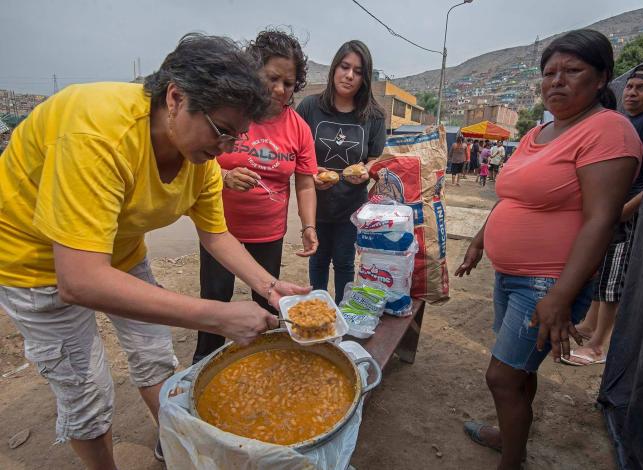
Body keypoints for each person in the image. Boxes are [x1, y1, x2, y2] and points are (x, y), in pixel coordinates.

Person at [0, 33, 310, 469]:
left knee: (155, 356)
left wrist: (270, 285)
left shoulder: (200, 156)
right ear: (176, 97)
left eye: (236, 138)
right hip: (35, 263)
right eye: (222, 131)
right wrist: (218, 315)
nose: (226, 149)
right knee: (86, 388)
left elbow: (216, 235)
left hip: (121, 251)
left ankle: (175, 446)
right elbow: (80, 279)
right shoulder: (96, 133)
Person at [455, 29, 642, 469]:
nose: (556, 81)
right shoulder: (538, 133)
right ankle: (510, 435)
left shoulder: (608, 131)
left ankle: (511, 461)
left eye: (572, 71)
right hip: (511, 276)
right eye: (549, 72)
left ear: (601, 79)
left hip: (548, 280)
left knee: (500, 377)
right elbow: (512, 195)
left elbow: (601, 219)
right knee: (519, 372)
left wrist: (560, 295)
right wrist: (481, 241)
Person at [192, 30, 319, 364]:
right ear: (253, 73)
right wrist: (225, 176)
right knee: (216, 298)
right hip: (220, 228)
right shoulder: (233, 114)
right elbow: (198, 161)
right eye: (272, 78)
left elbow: (305, 182)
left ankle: (261, 362)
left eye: (288, 83)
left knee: (266, 301)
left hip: (269, 232)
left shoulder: (298, 128)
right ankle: (205, 361)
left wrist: (309, 226)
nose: (279, 90)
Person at [565, 59, 643, 366]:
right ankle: (589, 325)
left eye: (642, 88)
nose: (631, 93)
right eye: (630, 87)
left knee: (612, 281)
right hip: (612, 212)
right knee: (602, 272)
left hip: (626, 217)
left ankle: (597, 345)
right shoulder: (632, 122)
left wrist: (623, 210)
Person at [296, 40, 386, 304]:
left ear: (365, 77)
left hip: (352, 208)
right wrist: (311, 173)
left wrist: (367, 171)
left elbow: (375, 159)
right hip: (315, 205)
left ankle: (342, 318)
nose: (349, 75)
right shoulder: (309, 108)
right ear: (334, 68)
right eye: (344, 67)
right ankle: (318, 312)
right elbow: (297, 155)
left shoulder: (375, 115)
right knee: (318, 263)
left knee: (345, 264)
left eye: (358, 71)